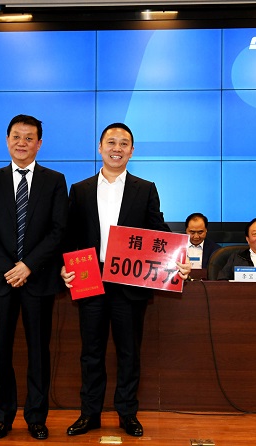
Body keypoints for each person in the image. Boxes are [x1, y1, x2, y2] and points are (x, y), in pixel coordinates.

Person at [61, 123, 191, 438]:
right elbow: (70, 234)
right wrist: (64, 266)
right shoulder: (80, 189)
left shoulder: (145, 189)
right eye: (111, 142)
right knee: (91, 352)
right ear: (100, 147)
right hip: (90, 276)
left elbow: (158, 231)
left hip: (129, 280)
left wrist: (179, 260)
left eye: (123, 143)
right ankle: (89, 414)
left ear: (132, 151)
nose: (116, 148)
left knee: (129, 352)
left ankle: (127, 413)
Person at [0, 114, 68, 441]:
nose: (22, 143)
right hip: (0, 279)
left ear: (39, 143)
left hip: (38, 278)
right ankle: (2, 417)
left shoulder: (54, 180)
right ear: (7, 140)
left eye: (29, 138)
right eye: (16, 136)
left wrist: (27, 265)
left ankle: (36, 417)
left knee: (38, 352)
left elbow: (58, 230)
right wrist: (9, 268)